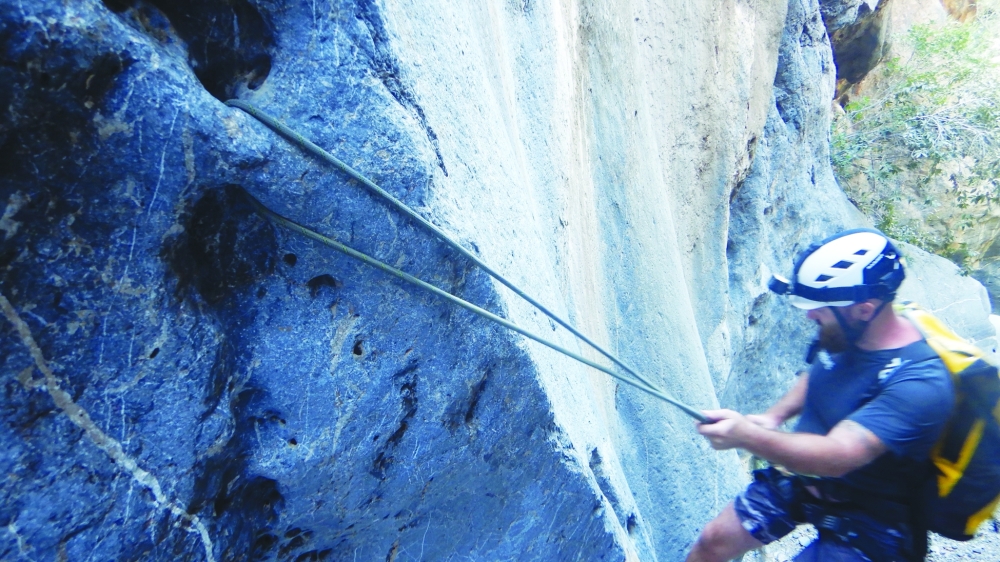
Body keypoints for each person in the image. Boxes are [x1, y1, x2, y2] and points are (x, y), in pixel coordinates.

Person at [686, 229, 954, 562]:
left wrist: (748, 436)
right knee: (715, 540)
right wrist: (775, 416)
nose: (810, 315)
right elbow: (821, 372)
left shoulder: (920, 383)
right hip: (804, 482)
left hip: (871, 522)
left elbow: (836, 456)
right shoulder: (846, 334)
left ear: (865, 309)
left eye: (820, 309)